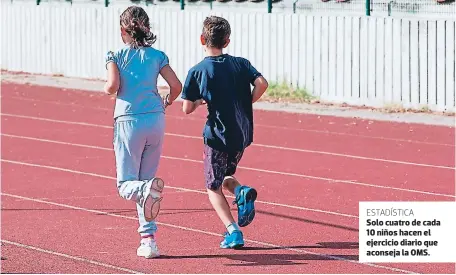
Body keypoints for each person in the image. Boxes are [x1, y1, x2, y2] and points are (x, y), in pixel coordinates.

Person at [180, 16, 269, 248]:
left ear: (202, 39)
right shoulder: (241, 63)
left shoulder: (197, 71)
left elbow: (187, 108)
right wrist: (248, 102)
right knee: (225, 175)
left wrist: (201, 100)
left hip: (216, 137)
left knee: (212, 186)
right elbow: (262, 83)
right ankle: (241, 191)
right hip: (241, 135)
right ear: (227, 41)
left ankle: (233, 232)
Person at [103, 6, 182, 258]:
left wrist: (107, 82)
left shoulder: (115, 55)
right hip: (155, 119)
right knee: (146, 181)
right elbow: (176, 85)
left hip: (128, 120)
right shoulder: (158, 55)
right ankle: (148, 241)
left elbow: (112, 86)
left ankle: (146, 195)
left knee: (127, 185)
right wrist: (167, 101)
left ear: (122, 31)